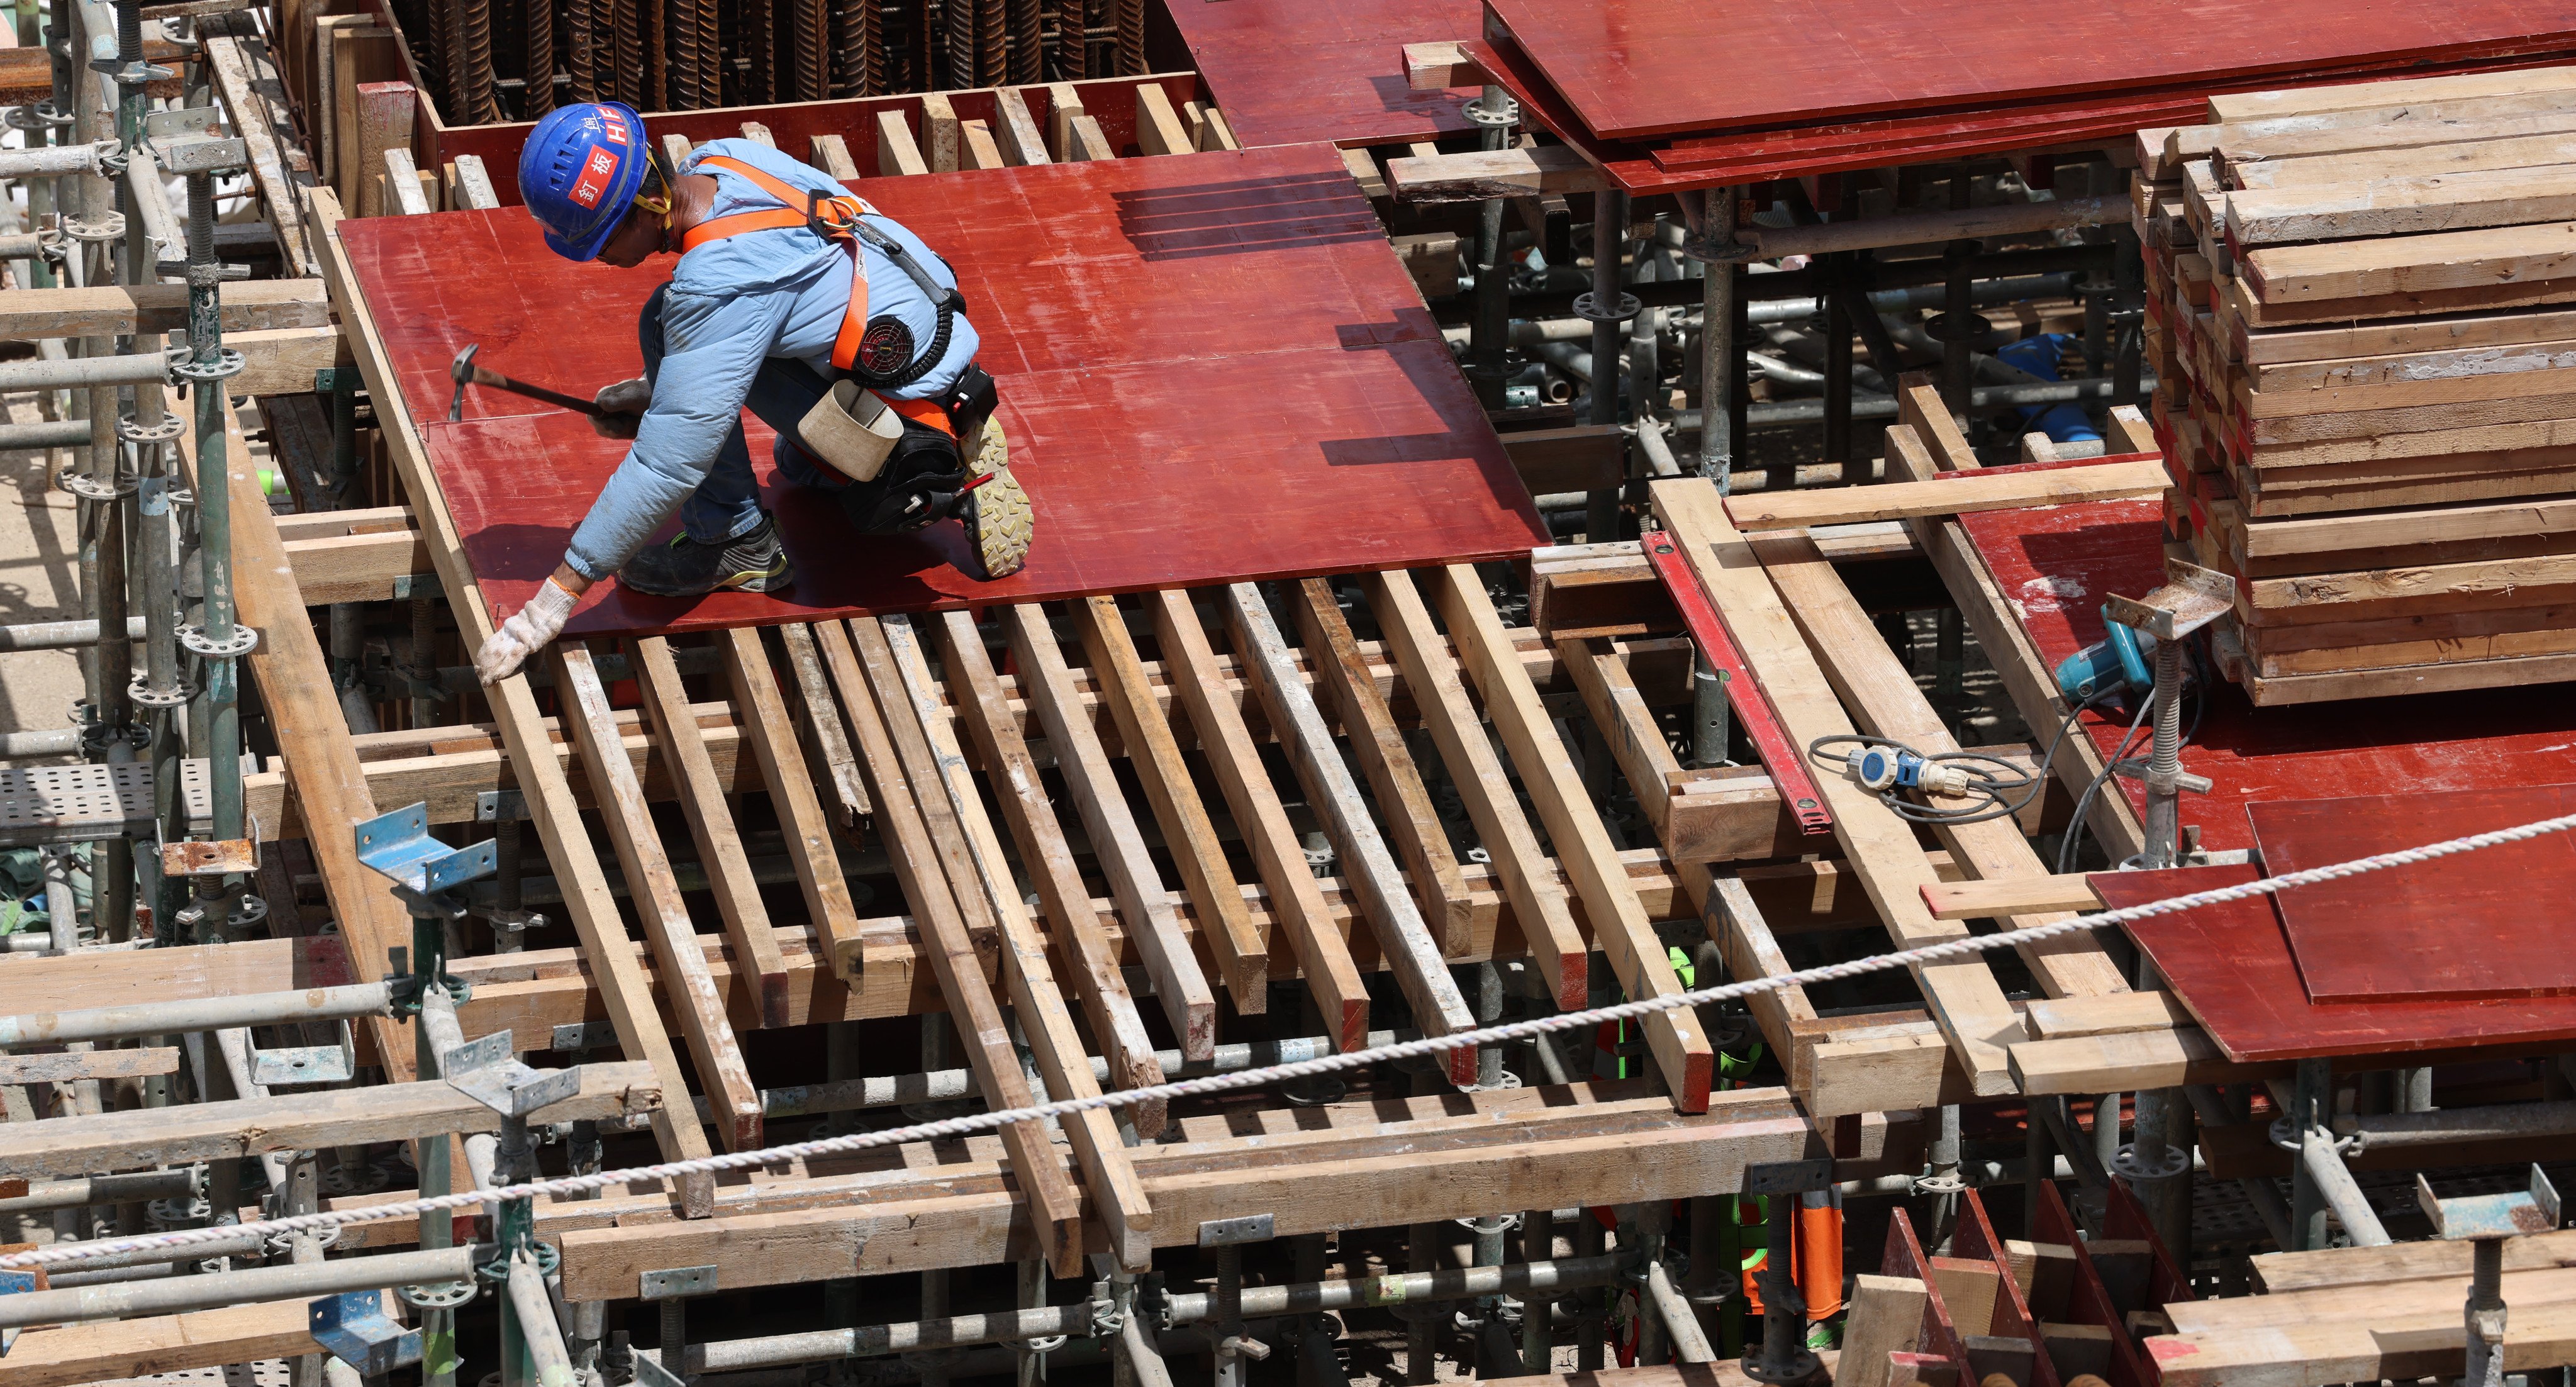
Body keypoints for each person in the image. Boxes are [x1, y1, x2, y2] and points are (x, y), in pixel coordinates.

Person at [472, 101, 1032, 684]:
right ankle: (940, 434)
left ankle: (739, 541)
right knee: (782, 448)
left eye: (599, 243)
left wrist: (546, 609)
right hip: (934, 349)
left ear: (647, 206)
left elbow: (670, 465)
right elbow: (783, 287)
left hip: (902, 422)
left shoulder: (713, 286)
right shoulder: (725, 160)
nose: (601, 262)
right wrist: (659, 395)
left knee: (668, 321)